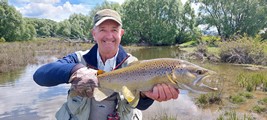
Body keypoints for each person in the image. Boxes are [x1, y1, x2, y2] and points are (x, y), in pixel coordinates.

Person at [33, 9, 179, 120]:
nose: (109, 36)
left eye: (114, 30)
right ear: (94, 34)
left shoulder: (133, 65)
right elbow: (40, 76)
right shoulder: (78, 58)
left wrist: (148, 96)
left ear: (121, 33)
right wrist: (76, 71)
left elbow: (140, 104)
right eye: (102, 30)